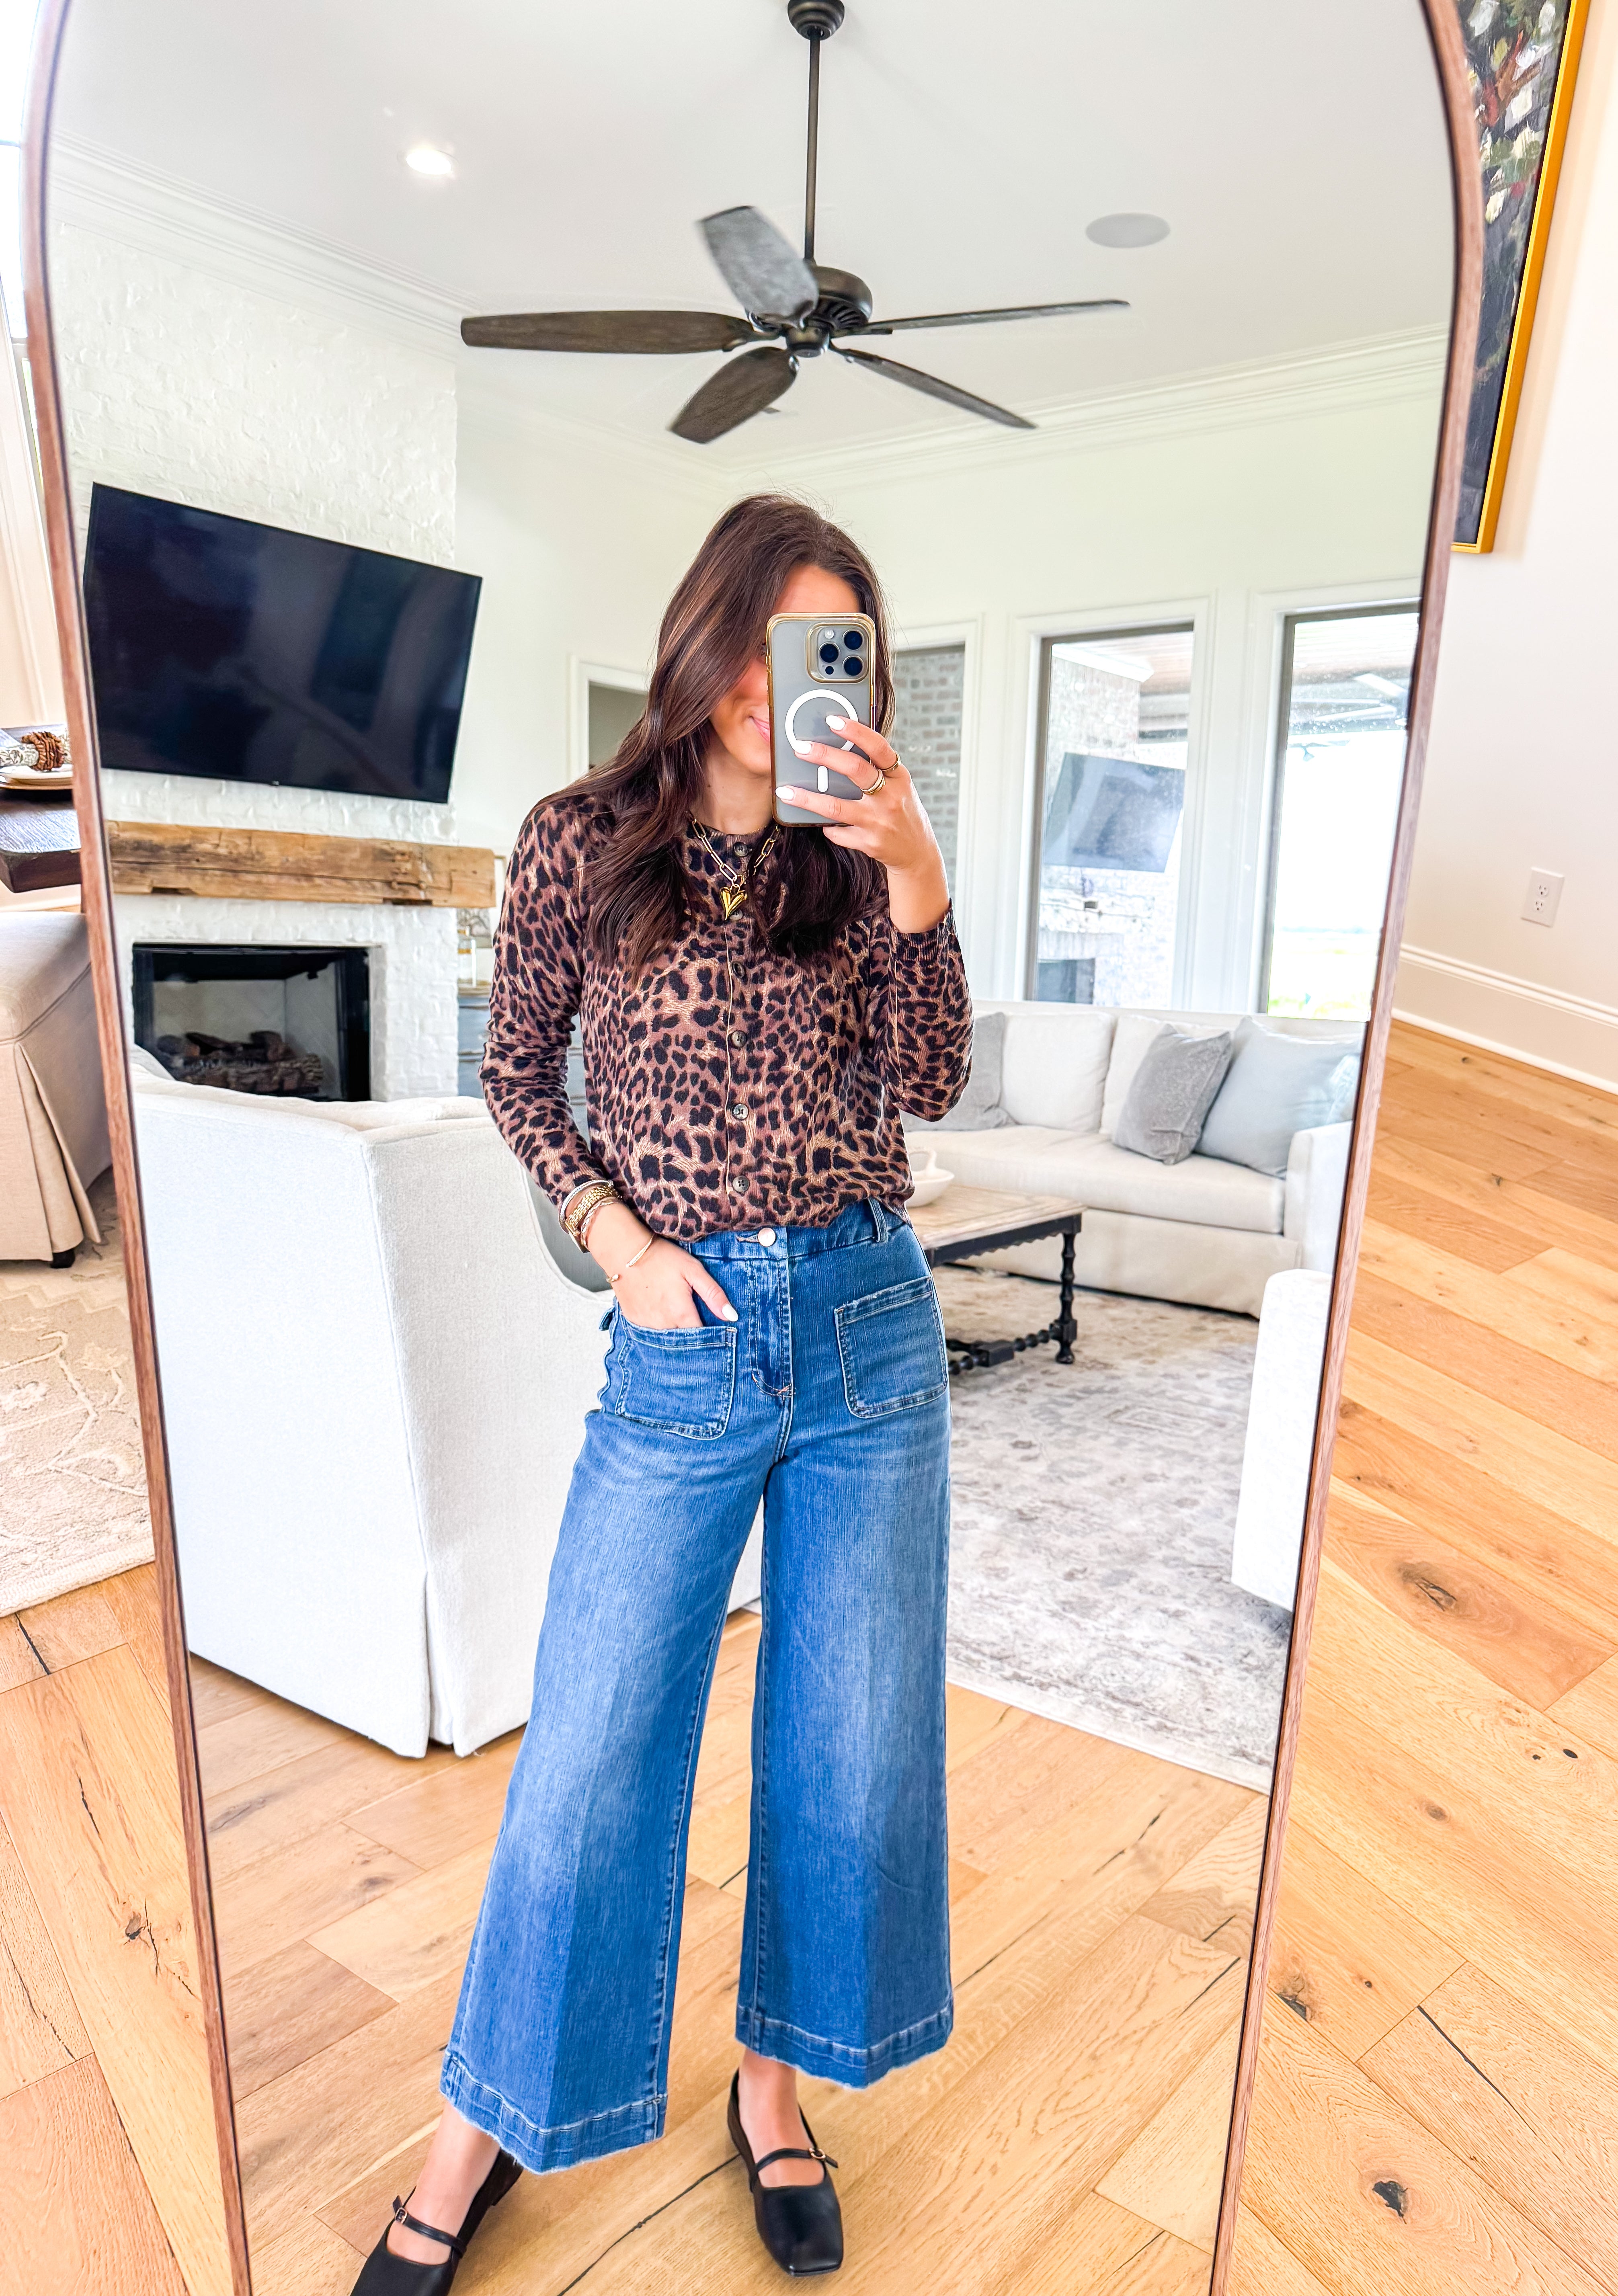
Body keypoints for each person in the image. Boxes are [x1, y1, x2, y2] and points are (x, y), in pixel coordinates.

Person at [353, 494, 971, 2292]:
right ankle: (482, 2128)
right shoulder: (579, 838)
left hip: (867, 1327)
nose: (790, 689)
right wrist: (615, 1239)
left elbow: (931, 1080)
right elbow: (515, 1074)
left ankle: (773, 2087)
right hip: (681, 1341)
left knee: (849, 1742)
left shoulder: (856, 850)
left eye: (831, 652)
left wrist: (918, 875)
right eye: (771, 644)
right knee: (596, 1741)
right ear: (711, 643)